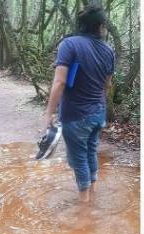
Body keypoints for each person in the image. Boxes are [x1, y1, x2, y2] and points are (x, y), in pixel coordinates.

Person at [43, 5, 115, 202]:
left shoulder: (69, 44)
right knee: (91, 152)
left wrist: (48, 113)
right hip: (98, 112)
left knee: (79, 159)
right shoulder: (108, 50)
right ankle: (91, 194)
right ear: (100, 26)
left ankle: (84, 210)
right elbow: (107, 84)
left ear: (81, 25)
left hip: (76, 115)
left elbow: (59, 81)